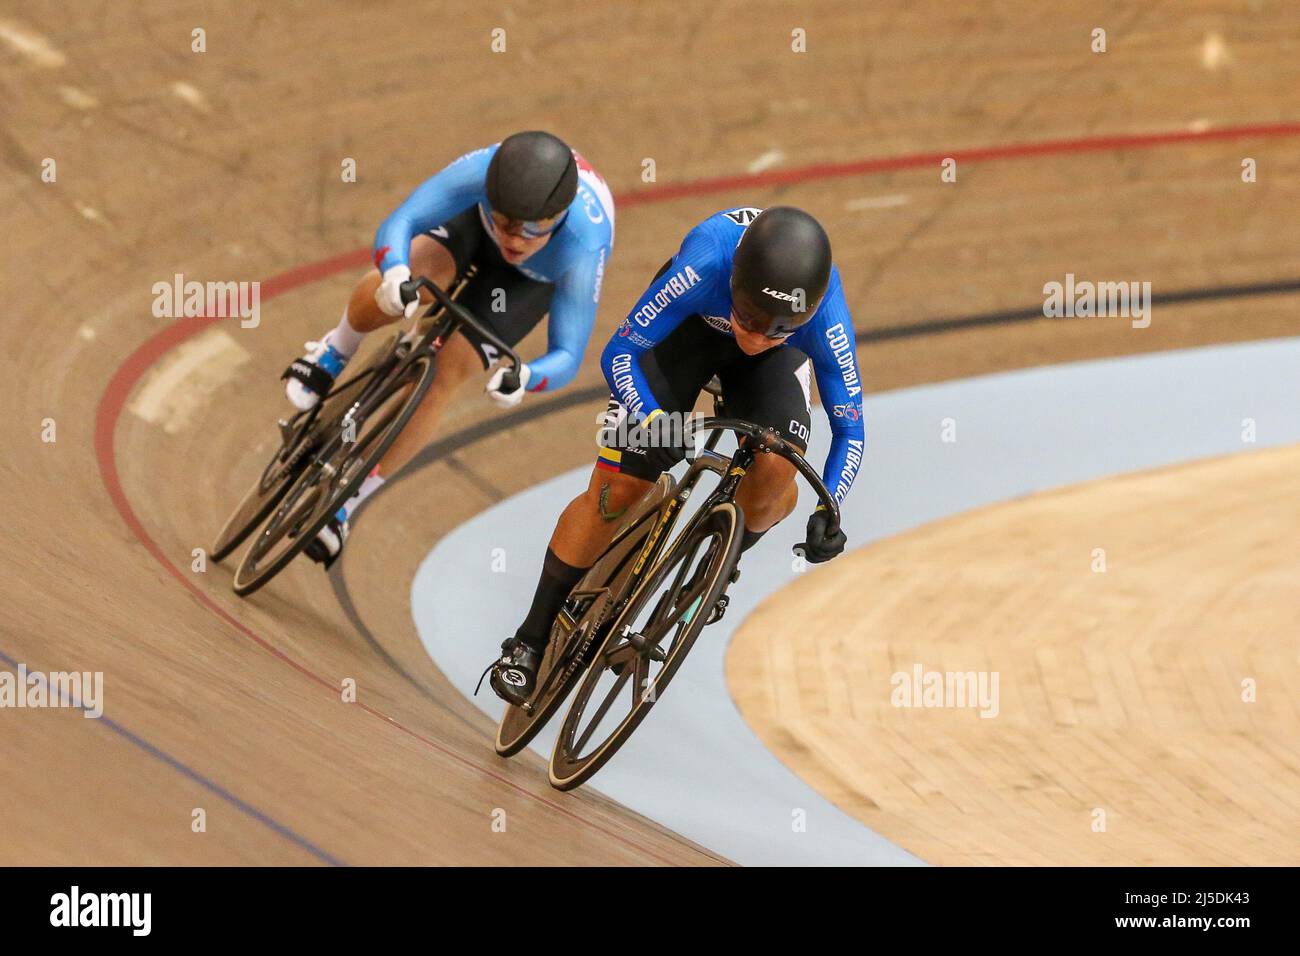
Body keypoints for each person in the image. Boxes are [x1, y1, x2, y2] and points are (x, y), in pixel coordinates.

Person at [488, 205, 862, 703]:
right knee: (617, 491)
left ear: (806, 314)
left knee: (780, 467)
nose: (754, 337)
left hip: (774, 369)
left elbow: (850, 432)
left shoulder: (822, 314)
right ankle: (529, 640)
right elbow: (618, 353)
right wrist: (648, 419)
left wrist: (828, 506)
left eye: (776, 328)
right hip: (686, 334)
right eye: (749, 318)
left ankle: (720, 562)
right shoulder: (706, 260)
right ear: (734, 282)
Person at [280, 131, 615, 566]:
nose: (516, 239)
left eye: (534, 229)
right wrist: (396, 272)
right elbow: (401, 222)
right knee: (415, 281)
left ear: (561, 217)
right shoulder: (479, 172)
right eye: (508, 221)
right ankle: (334, 350)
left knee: (446, 372)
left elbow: (569, 354)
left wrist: (526, 377)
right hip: (469, 229)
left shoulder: (585, 244)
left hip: (527, 284)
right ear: (491, 196)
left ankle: (348, 500)